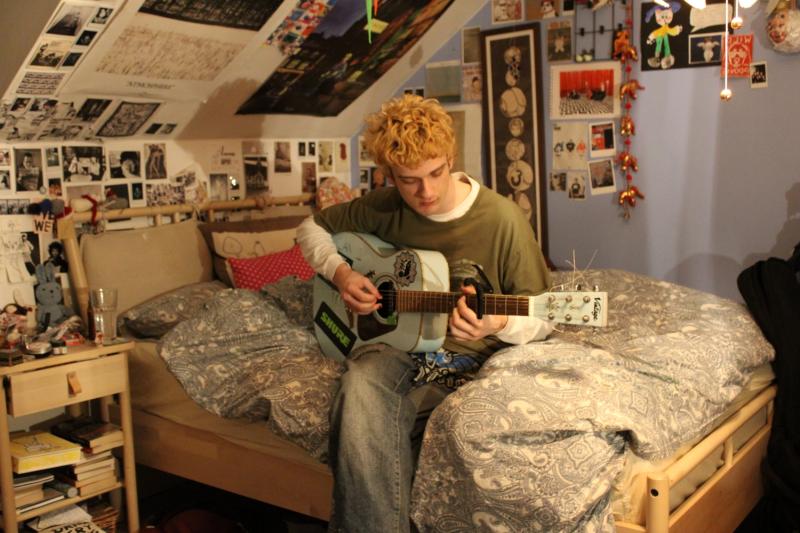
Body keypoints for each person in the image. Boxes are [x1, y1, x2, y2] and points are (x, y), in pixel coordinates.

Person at [297, 94, 552, 532]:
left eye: (435, 173)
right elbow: (311, 227)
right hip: (397, 348)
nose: (426, 192)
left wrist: (498, 322)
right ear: (389, 175)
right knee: (358, 390)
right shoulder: (382, 206)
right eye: (409, 180)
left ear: (451, 157)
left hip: (467, 355)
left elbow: (545, 314)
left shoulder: (502, 219)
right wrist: (341, 275)